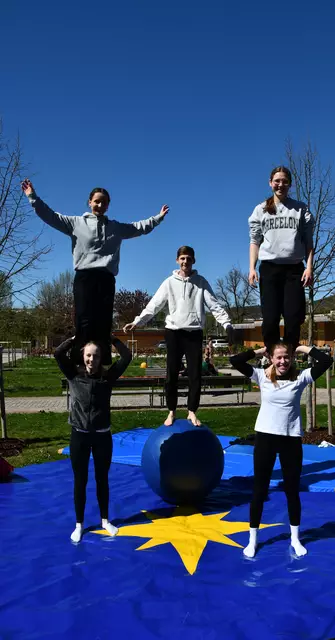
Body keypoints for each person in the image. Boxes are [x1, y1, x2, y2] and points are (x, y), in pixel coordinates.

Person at [21, 179, 169, 364]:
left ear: (108, 206)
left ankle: (102, 362)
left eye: (104, 202)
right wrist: (33, 197)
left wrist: (158, 218)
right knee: (84, 320)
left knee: (103, 321)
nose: (100, 205)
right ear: (90, 202)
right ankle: (80, 361)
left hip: (106, 279)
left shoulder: (115, 228)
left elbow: (138, 227)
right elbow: (50, 216)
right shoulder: (75, 223)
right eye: (97, 201)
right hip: (85, 277)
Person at [229, 342, 332, 558]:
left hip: (290, 440)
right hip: (265, 438)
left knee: (292, 491)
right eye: (278, 357)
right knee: (259, 490)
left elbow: (326, 361)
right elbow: (235, 361)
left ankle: (295, 539)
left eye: (286, 357)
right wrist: (259, 351)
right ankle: (252, 540)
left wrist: (303, 348)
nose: (283, 361)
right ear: (271, 359)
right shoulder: (261, 376)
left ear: (292, 358)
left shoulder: (301, 378)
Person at [123, 246, 233, 426]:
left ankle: (192, 412)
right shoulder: (169, 283)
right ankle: (171, 411)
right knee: (172, 374)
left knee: (195, 375)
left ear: (193, 261)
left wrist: (227, 324)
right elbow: (154, 305)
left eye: (188, 258)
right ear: (177, 260)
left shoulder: (201, 282)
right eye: (182, 258)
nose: (185, 261)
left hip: (194, 333)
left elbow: (214, 305)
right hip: (173, 332)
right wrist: (137, 322)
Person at [54, 335, 132, 543]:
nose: (92, 360)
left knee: (102, 479)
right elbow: (58, 354)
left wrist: (111, 338)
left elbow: (127, 356)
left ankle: (105, 520)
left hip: (102, 436)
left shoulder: (108, 377)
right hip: (79, 435)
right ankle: (79, 524)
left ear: (101, 358)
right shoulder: (73, 374)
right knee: (80, 480)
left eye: (96, 356)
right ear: (83, 356)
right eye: (88, 355)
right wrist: (74, 338)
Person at [248, 166, 314, 351]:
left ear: (290, 184)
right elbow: (254, 241)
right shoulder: (260, 210)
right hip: (269, 269)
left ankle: (289, 355)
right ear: (270, 183)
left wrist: (309, 267)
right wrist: (252, 268)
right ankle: (272, 356)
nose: (280, 184)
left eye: (285, 181)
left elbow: (309, 242)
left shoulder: (300, 209)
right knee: (270, 319)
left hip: (294, 269)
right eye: (277, 181)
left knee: (293, 318)